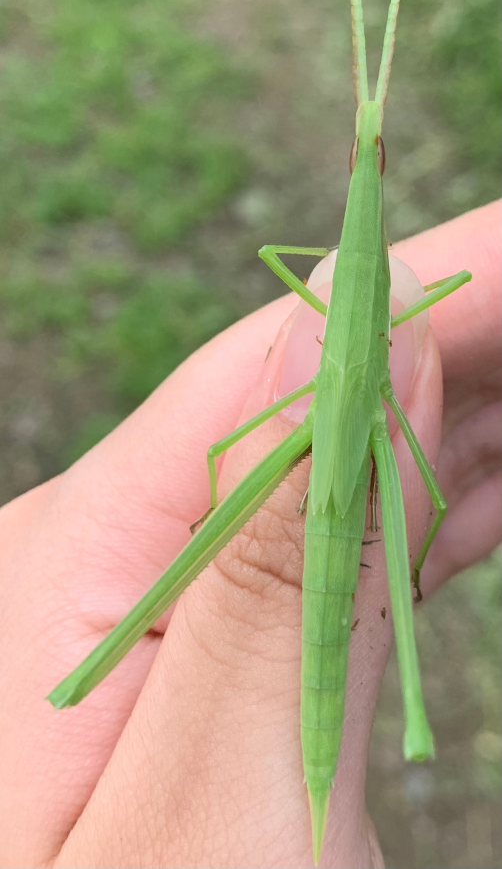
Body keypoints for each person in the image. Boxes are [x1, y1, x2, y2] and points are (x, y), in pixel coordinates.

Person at [0, 202, 500, 869]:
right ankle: (79, 683)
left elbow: (271, 259)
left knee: (245, 463)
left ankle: (408, 731)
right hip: (364, 433)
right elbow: (431, 503)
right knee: (421, 496)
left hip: (352, 433)